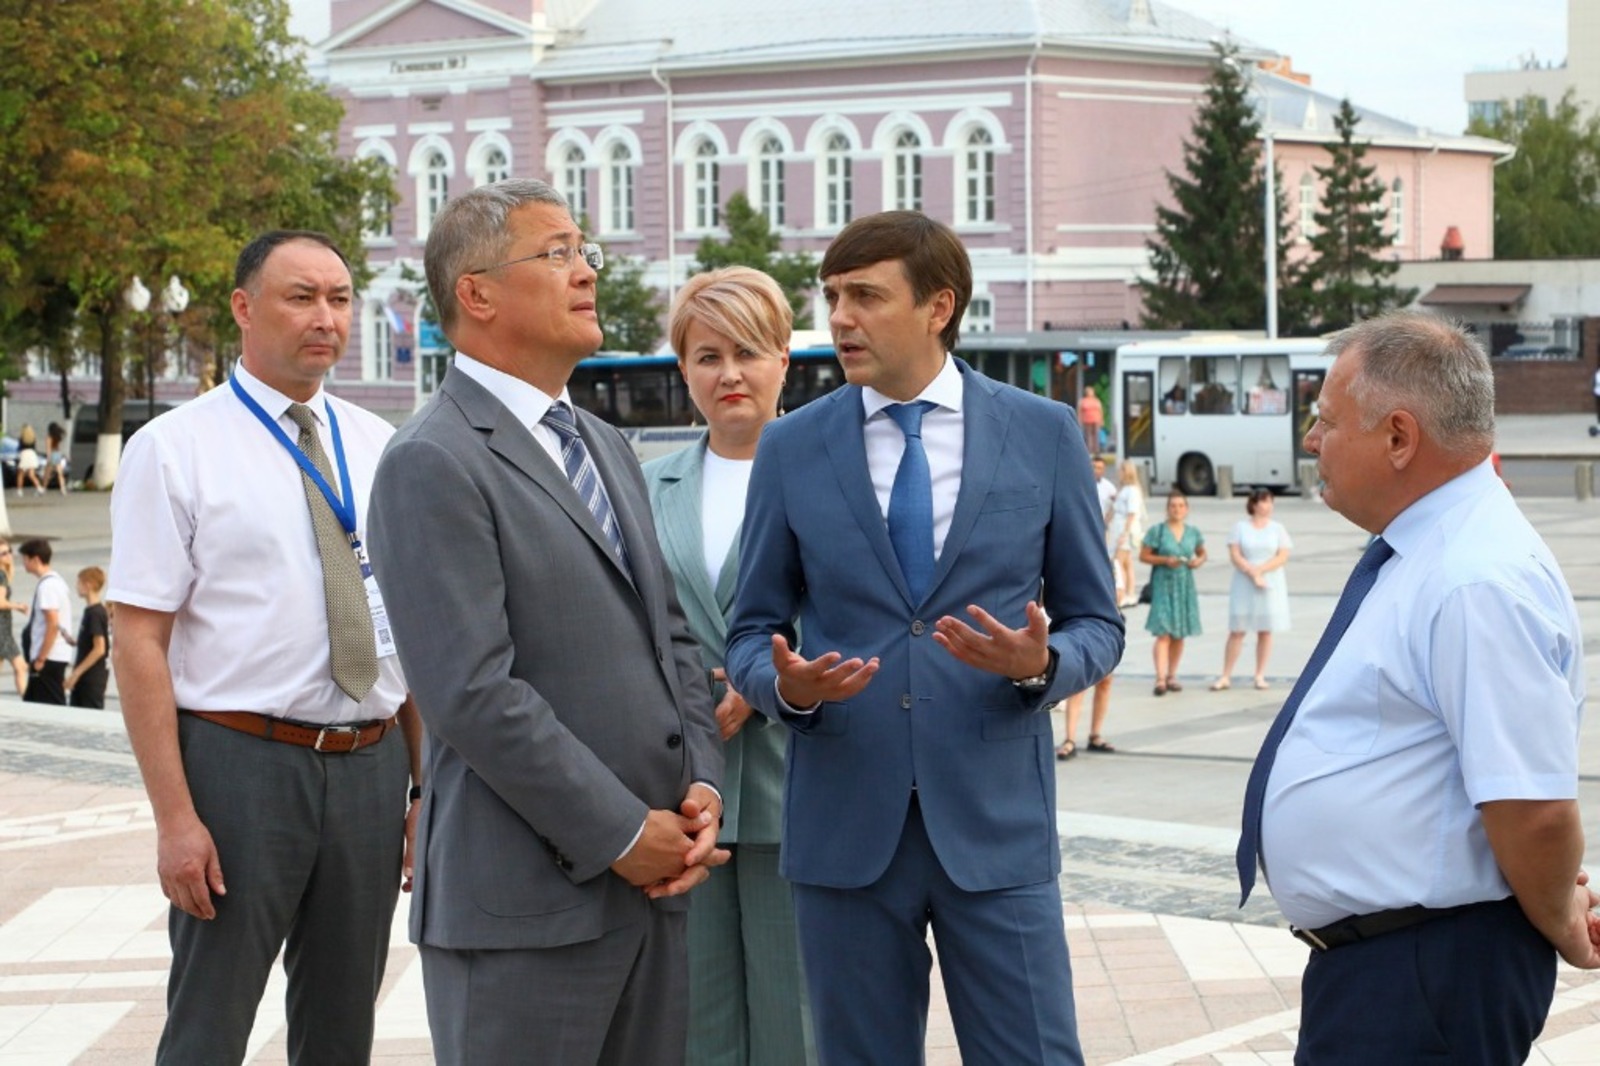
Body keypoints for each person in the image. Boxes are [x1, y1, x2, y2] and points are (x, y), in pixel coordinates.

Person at [726, 210, 1123, 1065]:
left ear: (939, 306)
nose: (840, 318)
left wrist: (1044, 664)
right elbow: (750, 633)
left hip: (997, 825)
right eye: (833, 297)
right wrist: (787, 687)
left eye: (866, 296)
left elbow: (1099, 622)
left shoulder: (1043, 432)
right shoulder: (791, 446)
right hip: (844, 830)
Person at [364, 178, 725, 1066]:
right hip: (524, 912)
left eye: (583, 250)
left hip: (651, 891)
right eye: (556, 253)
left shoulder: (601, 443)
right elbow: (472, 693)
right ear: (477, 294)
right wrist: (621, 833)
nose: (587, 271)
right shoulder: (433, 460)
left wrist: (701, 786)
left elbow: (671, 637)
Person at [1238, 312, 1600, 1063]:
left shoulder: (1474, 578)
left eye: (1326, 419)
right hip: (1396, 967)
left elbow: (1533, 808)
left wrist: (1565, 919)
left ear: (1399, 437)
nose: (1312, 439)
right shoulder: (1430, 551)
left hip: (1426, 976)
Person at [108, 230, 424, 1064]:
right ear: (243, 309)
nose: (326, 318)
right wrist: (175, 820)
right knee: (210, 1024)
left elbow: (412, 629)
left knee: (342, 1024)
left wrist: (425, 787)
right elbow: (138, 638)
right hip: (239, 766)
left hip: (370, 764)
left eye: (340, 299)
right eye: (301, 297)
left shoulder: (382, 445)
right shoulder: (174, 448)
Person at [643, 266, 815, 1066]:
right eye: (708, 356)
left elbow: (874, 616)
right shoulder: (645, 486)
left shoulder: (834, 477)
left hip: (799, 783)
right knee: (695, 1028)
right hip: (682, 796)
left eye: (748, 351)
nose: (730, 374)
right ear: (684, 369)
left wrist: (764, 680)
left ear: (784, 359)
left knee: (796, 1026)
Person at [1212, 488, 1292, 691]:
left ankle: (1260, 674)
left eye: (1270, 501)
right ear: (1254, 504)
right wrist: (1251, 571)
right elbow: (1235, 554)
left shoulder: (1278, 528)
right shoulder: (1240, 527)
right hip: (1244, 580)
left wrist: (1260, 570)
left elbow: (1282, 556)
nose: (1267, 506)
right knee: (1237, 629)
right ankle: (1225, 675)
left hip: (1269, 579)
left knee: (1265, 630)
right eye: (1263, 501)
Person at [1139, 491, 1204, 695]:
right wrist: (1165, 560)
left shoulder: (1193, 532)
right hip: (1163, 585)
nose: (1177, 509)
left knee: (1179, 634)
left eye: (1181, 506)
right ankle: (1160, 678)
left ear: (1187, 509)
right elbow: (1144, 556)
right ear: (1167, 509)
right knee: (1163, 633)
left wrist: (1198, 561)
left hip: (1184, 584)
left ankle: (1172, 675)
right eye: (1173, 506)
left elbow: (1202, 552)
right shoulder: (1157, 531)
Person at [19, 539, 72, 704]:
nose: (23, 563)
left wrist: (41, 658)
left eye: (25, 559)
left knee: (50, 704)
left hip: (49, 657)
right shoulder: (56, 582)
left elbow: (52, 624)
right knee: (33, 703)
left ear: (35, 559)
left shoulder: (47, 587)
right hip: (52, 656)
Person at [63, 566, 110, 708]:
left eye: (79, 583)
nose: (76, 586)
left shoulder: (95, 613)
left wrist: (76, 674)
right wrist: (77, 642)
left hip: (90, 679)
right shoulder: (92, 610)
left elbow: (99, 648)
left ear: (88, 585)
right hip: (87, 678)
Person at [1110, 460, 1145, 607]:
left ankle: (1123, 593)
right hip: (1119, 527)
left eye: (1121, 470)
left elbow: (1131, 513)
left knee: (1119, 562)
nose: (1119, 473)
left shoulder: (1132, 490)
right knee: (1127, 563)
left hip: (1125, 529)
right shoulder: (1125, 489)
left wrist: (1124, 533)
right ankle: (1130, 593)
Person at [0, 539, 29, 694]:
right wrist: (18, 606)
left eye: (9, 551)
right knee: (20, 666)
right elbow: (0, 602)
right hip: (2, 632)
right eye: (3, 553)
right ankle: (26, 701)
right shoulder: (1, 575)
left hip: (4, 629)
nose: (9, 555)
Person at [15, 425, 41, 497]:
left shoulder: (21, 439)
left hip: (24, 454)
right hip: (32, 454)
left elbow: (19, 448)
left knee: (20, 474)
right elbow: (34, 447)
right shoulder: (33, 438)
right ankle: (39, 488)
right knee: (31, 475)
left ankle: (19, 491)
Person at [1077, 387, 1103, 454]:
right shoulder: (1082, 401)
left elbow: (1100, 411)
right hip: (1087, 420)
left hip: (1096, 420)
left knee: (1096, 435)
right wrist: (1079, 420)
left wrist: (1101, 420)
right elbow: (1080, 411)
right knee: (1088, 435)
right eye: (1089, 392)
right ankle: (1089, 450)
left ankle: (1096, 450)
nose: (1090, 393)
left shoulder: (1096, 401)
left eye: (1091, 392)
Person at [44, 422, 68, 494]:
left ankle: (44, 488)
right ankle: (63, 488)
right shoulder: (57, 437)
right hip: (57, 454)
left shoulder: (49, 437)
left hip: (52, 454)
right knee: (60, 473)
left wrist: (48, 457)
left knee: (47, 473)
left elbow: (48, 448)